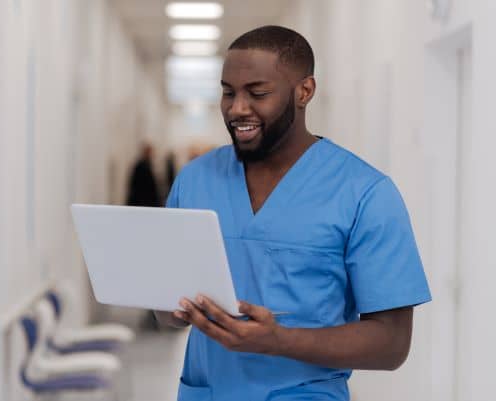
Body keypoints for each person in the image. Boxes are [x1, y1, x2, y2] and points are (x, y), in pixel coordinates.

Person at [155, 25, 431, 401]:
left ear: (304, 92)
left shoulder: (364, 193)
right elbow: (164, 311)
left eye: (258, 93)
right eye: (228, 92)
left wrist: (278, 340)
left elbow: (393, 343)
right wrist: (174, 309)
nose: (237, 108)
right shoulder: (195, 180)